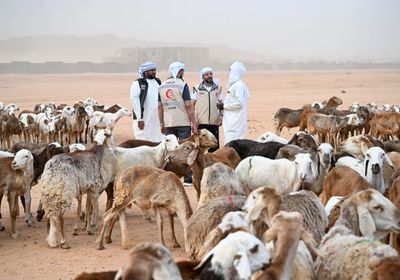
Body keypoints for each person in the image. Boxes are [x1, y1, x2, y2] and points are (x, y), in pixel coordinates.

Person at [158, 61, 197, 185]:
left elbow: (159, 107)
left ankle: (169, 178)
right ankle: (187, 179)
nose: (183, 73)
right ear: (178, 71)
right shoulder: (182, 85)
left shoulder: (162, 86)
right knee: (185, 150)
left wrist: (161, 123)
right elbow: (189, 105)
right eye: (182, 70)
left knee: (169, 152)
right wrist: (194, 122)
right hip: (183, 123)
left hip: (169, 123)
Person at [130, 61, 164, 141]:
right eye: (151, 70)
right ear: (145, 72)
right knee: (143, 140)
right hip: (144, 118)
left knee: (158, 140)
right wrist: (139, 119)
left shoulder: (157, 81)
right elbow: (134, 101)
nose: (154, 72)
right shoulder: (138, 83)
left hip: (156, 119)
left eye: (155, 70)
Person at [192, 67, 223, 152]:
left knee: (214, 145)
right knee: (201, 146)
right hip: (201, 122)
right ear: (203, 76)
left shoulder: (218, 88)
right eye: (207, 74)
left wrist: (221, 116)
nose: (209, 76)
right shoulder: (197, 88)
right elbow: (192, 104)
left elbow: (221, 103)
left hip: (214, 122)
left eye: (211, 74)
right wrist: (194, 120)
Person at [223, 61, 250, 144]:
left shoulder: (239, 85)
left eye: (230, 70)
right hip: (232, 122)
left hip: (235, 122)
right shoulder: (236, 85)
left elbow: (239, 103)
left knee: (233, 144)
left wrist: (224, 106)